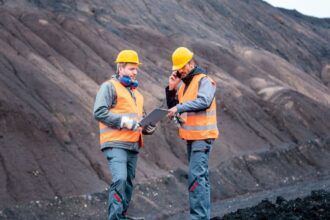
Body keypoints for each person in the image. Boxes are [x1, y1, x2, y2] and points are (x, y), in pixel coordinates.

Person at [94, 50, 155, 220]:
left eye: (136, 69)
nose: (135, 72)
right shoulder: (109, 87)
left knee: (128, 184)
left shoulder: (138, 95)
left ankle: (121, 215)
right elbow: (99, 112)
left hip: (133, 145)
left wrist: (148, 128)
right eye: (131, 69)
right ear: (120, 68)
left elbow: (140, 120)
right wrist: (124, 122)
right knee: (120, 179)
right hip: (115, 143)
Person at [165, 47, 219, 220]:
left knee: (196, 177)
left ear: (190, 63)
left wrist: (178, 107)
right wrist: (171, 89)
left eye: (182, 67)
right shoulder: (183, 86)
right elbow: (174, 107)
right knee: (200, 178)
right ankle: (203, 217)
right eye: (177, 68)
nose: (179, 71)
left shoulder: (204, 81)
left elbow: (204, 101)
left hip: (203, 137)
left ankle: (199, 217)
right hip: (192, 138)